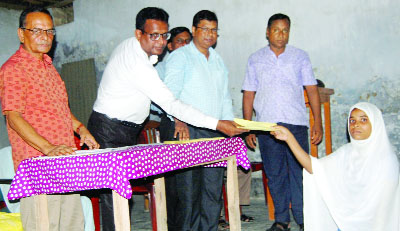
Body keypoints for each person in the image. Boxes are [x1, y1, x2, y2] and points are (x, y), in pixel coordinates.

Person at [86, 7, 246, 231]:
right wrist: (218, 124)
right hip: (109, 129)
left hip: (128, 130)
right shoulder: (136, 61)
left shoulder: (143, 52)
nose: (160, 42)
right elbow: (170, 103)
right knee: (114, 200)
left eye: (164, 35)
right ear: (138, 34)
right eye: (154, 35)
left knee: (122, 197)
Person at [0, 7, 99, 231]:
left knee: (73, 223)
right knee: (46, 224)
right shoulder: (13, 69)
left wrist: (80, 128)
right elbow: (13, 116)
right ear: (21, 34)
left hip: (63, 160)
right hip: (38, 166)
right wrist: (48, 148)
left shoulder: (49, 67)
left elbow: (61, 109)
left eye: (49, 31)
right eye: (36, 30)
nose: (45, 37)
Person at [242, 13, 323, 231]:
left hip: (295, 123)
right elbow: (249, 93)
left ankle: (304, 220)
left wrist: (318, 123)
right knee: (275, 173)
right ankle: (281, 221)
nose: (281, 34)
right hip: (267, 127)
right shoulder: (255, 58)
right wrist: (248, 127)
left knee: (299, 172)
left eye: (285, 30)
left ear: (289, 33)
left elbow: (312, 90)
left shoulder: (300, 57)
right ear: (267, 32)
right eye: (276, 30)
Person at [271, 102, 400, 230]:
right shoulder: (346, 152)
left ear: (376, 124)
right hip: (345, 223)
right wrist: (289, 138)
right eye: (352, 120)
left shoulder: (386, 159)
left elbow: (384, 212)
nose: (356, 125)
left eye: (364, 120)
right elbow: (314, 167)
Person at [163, 10, 233, 231]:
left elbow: (224, 97)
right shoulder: (180, 57)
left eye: (214, 30)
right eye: (205, 29)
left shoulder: (218, 61)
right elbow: (169, 95)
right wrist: (178, 120)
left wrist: (230, 124)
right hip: (189, 131)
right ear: (194, 30)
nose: (209, 34)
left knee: (212, 191)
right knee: (189, 193)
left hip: (215, 131)